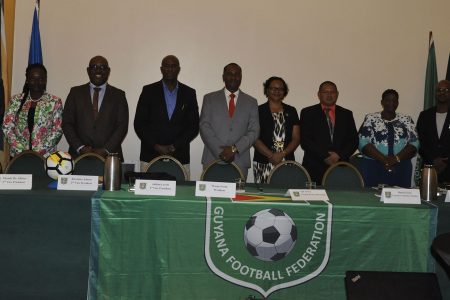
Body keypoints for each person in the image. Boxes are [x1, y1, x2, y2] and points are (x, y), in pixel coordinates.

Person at [134, 55, 199, 175]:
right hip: (150, 155)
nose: (170, 69)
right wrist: (156, 145)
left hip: (180, 156)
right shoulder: (148, 91)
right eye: (166, 66)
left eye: (173, 66)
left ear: (178, 69)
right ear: (161, 69)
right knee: (148, 193)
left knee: (181, 193)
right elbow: (139, 123)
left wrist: (175, 146)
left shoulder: (189, 93)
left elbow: (194, 126)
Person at [62, 55, 129, 161]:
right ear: (88, 70)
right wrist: (80, 147)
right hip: (79, 156)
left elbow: (122, 126)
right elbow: (67, 123)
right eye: (94, 67)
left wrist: (106, 149)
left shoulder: (119, 95)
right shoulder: (75, 93)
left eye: (102, 67)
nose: (98, 70)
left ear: (108, 71)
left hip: (110, 157)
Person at [200, 62, 259, 179]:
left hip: (240, 160)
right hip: (212, 158)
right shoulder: (209, 98)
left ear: (241, 77)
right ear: (223, 77)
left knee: (238, 196)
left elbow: (254, 130)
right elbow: (204, 126)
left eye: (237, 74)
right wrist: (220, 151)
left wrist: (234, 149)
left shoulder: (251, 102)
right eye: (229, 74)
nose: (233, 77)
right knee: (210, 196)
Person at [299, 81, 358, 184]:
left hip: (341, 166)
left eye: (332, 92)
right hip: (314, 166)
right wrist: (325, 156)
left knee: (340, 198)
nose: (329, 94)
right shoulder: (308, 112)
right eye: (325, 92)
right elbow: (305, 140)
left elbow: (353, 140)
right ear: (319, 94)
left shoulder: (346, 114)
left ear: (337, 94)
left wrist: (338, 155)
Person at [358, 89, 418, 187]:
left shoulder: (406, 119)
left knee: (400, 199)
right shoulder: (371, 118)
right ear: (382, 102)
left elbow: (415, 143)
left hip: (401, 166)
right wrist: (384, 160)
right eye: (388, 100)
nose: (391, 103)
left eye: (394, 100)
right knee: (372, 199)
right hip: (374, 165)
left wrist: (396, 159)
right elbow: (362, 142)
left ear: (398, 103)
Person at [2, 64, 62, 158]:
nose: (37, 82)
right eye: (33, 78)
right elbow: (7, 127)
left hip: (45, 156)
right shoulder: (16, 100)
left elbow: (57, 130)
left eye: (41, 78)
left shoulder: (54, 102)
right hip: (19, 156)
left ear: (45, 80)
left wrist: (37, 152)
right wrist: (22, 151)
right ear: (27, 80)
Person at [253, 76, 300, 183]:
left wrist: (282, 154)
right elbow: (254, 138)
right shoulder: (258, 111)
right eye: (273, 88)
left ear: (285, 92)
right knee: (263, 195)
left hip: (286, 161)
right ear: (267, 90)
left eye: (280, 89)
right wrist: (271, 155)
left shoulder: (291, 111)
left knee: (286, 195)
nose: (277, 91)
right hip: (263, 161)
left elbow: (296, 138)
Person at [417, 80, 450, 183]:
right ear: (435, 93)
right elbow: (419, 141)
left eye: (446, 90)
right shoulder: (425, 115)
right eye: (439, 90)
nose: (442, 93)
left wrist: (445, 161)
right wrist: (433, 160)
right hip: (429, 168)